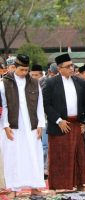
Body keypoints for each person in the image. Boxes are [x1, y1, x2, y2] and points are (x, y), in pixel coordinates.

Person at [43, 53, 85, 191]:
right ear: (59, 68)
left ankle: (80, 184)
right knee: (59, 157)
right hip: (60, 126)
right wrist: (58, 120)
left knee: (78, 156)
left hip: (76, 124)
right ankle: (57, 186)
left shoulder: (79, 81)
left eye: (72, 65)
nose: (72, 68)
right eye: (68, 66)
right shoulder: (51, 82)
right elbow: (46, 105)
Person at [1, 54, 46, 198]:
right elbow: (4, 106)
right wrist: (6, 125)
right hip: (13, 126)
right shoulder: (5, 83)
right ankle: (13, 188)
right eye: (22, 70)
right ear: (15, 67)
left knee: (34, 154)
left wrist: (40, 124)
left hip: (32, 125)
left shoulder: (34, 82)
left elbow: (39, 104)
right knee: (13, 155)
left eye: (27, 70)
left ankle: (35, 187)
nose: (24, 73)